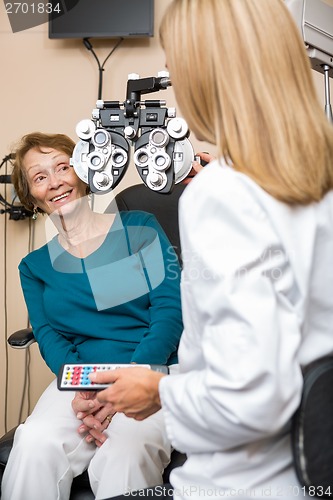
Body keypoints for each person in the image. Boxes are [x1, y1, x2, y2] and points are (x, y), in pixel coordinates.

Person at [89, 0, 333, 499]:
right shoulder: (317, 178)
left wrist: (158, 391)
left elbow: (249, 395)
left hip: (238, 483)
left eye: (177, 63)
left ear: (208, 72)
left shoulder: (223, 194)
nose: (172, 76)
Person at [1, 132, 183, 500]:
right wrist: (83, 389)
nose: (54, 183)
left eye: (63, 168)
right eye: (39, 177)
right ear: (32, 197)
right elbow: (51, 337)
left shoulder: (139, 229)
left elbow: (169, 311)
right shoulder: (34, 267)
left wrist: (128, 384)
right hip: (81, 378)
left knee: (126, 451)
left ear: (83, 171)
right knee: (34, 444)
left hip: (152, 369)